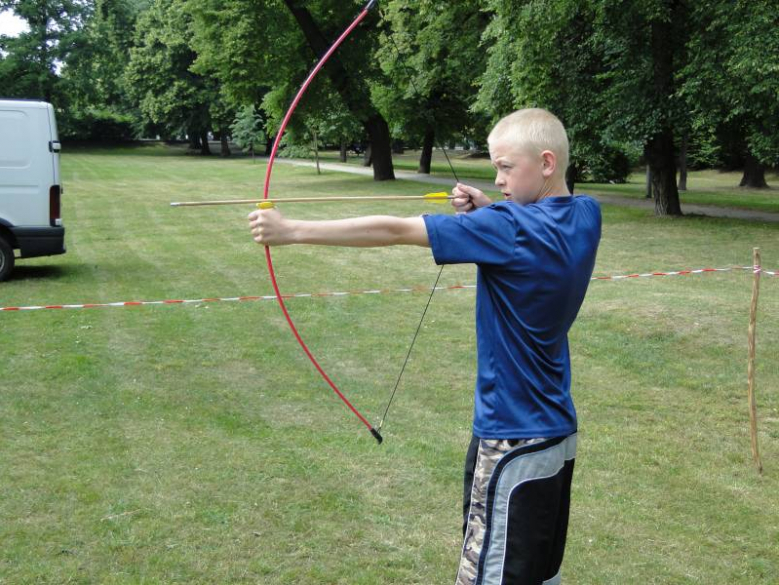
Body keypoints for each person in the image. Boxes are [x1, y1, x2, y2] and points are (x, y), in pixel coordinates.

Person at [249, 108, 601, 585]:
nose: (496, 179)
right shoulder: (585, 214)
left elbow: (394, 229)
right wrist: (486, 208)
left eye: (504, 167)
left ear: (545, 163)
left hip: (512, 436)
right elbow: (534, 220)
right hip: (556, 432)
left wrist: (291, 232)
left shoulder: (507, 228)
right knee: (538, 575)